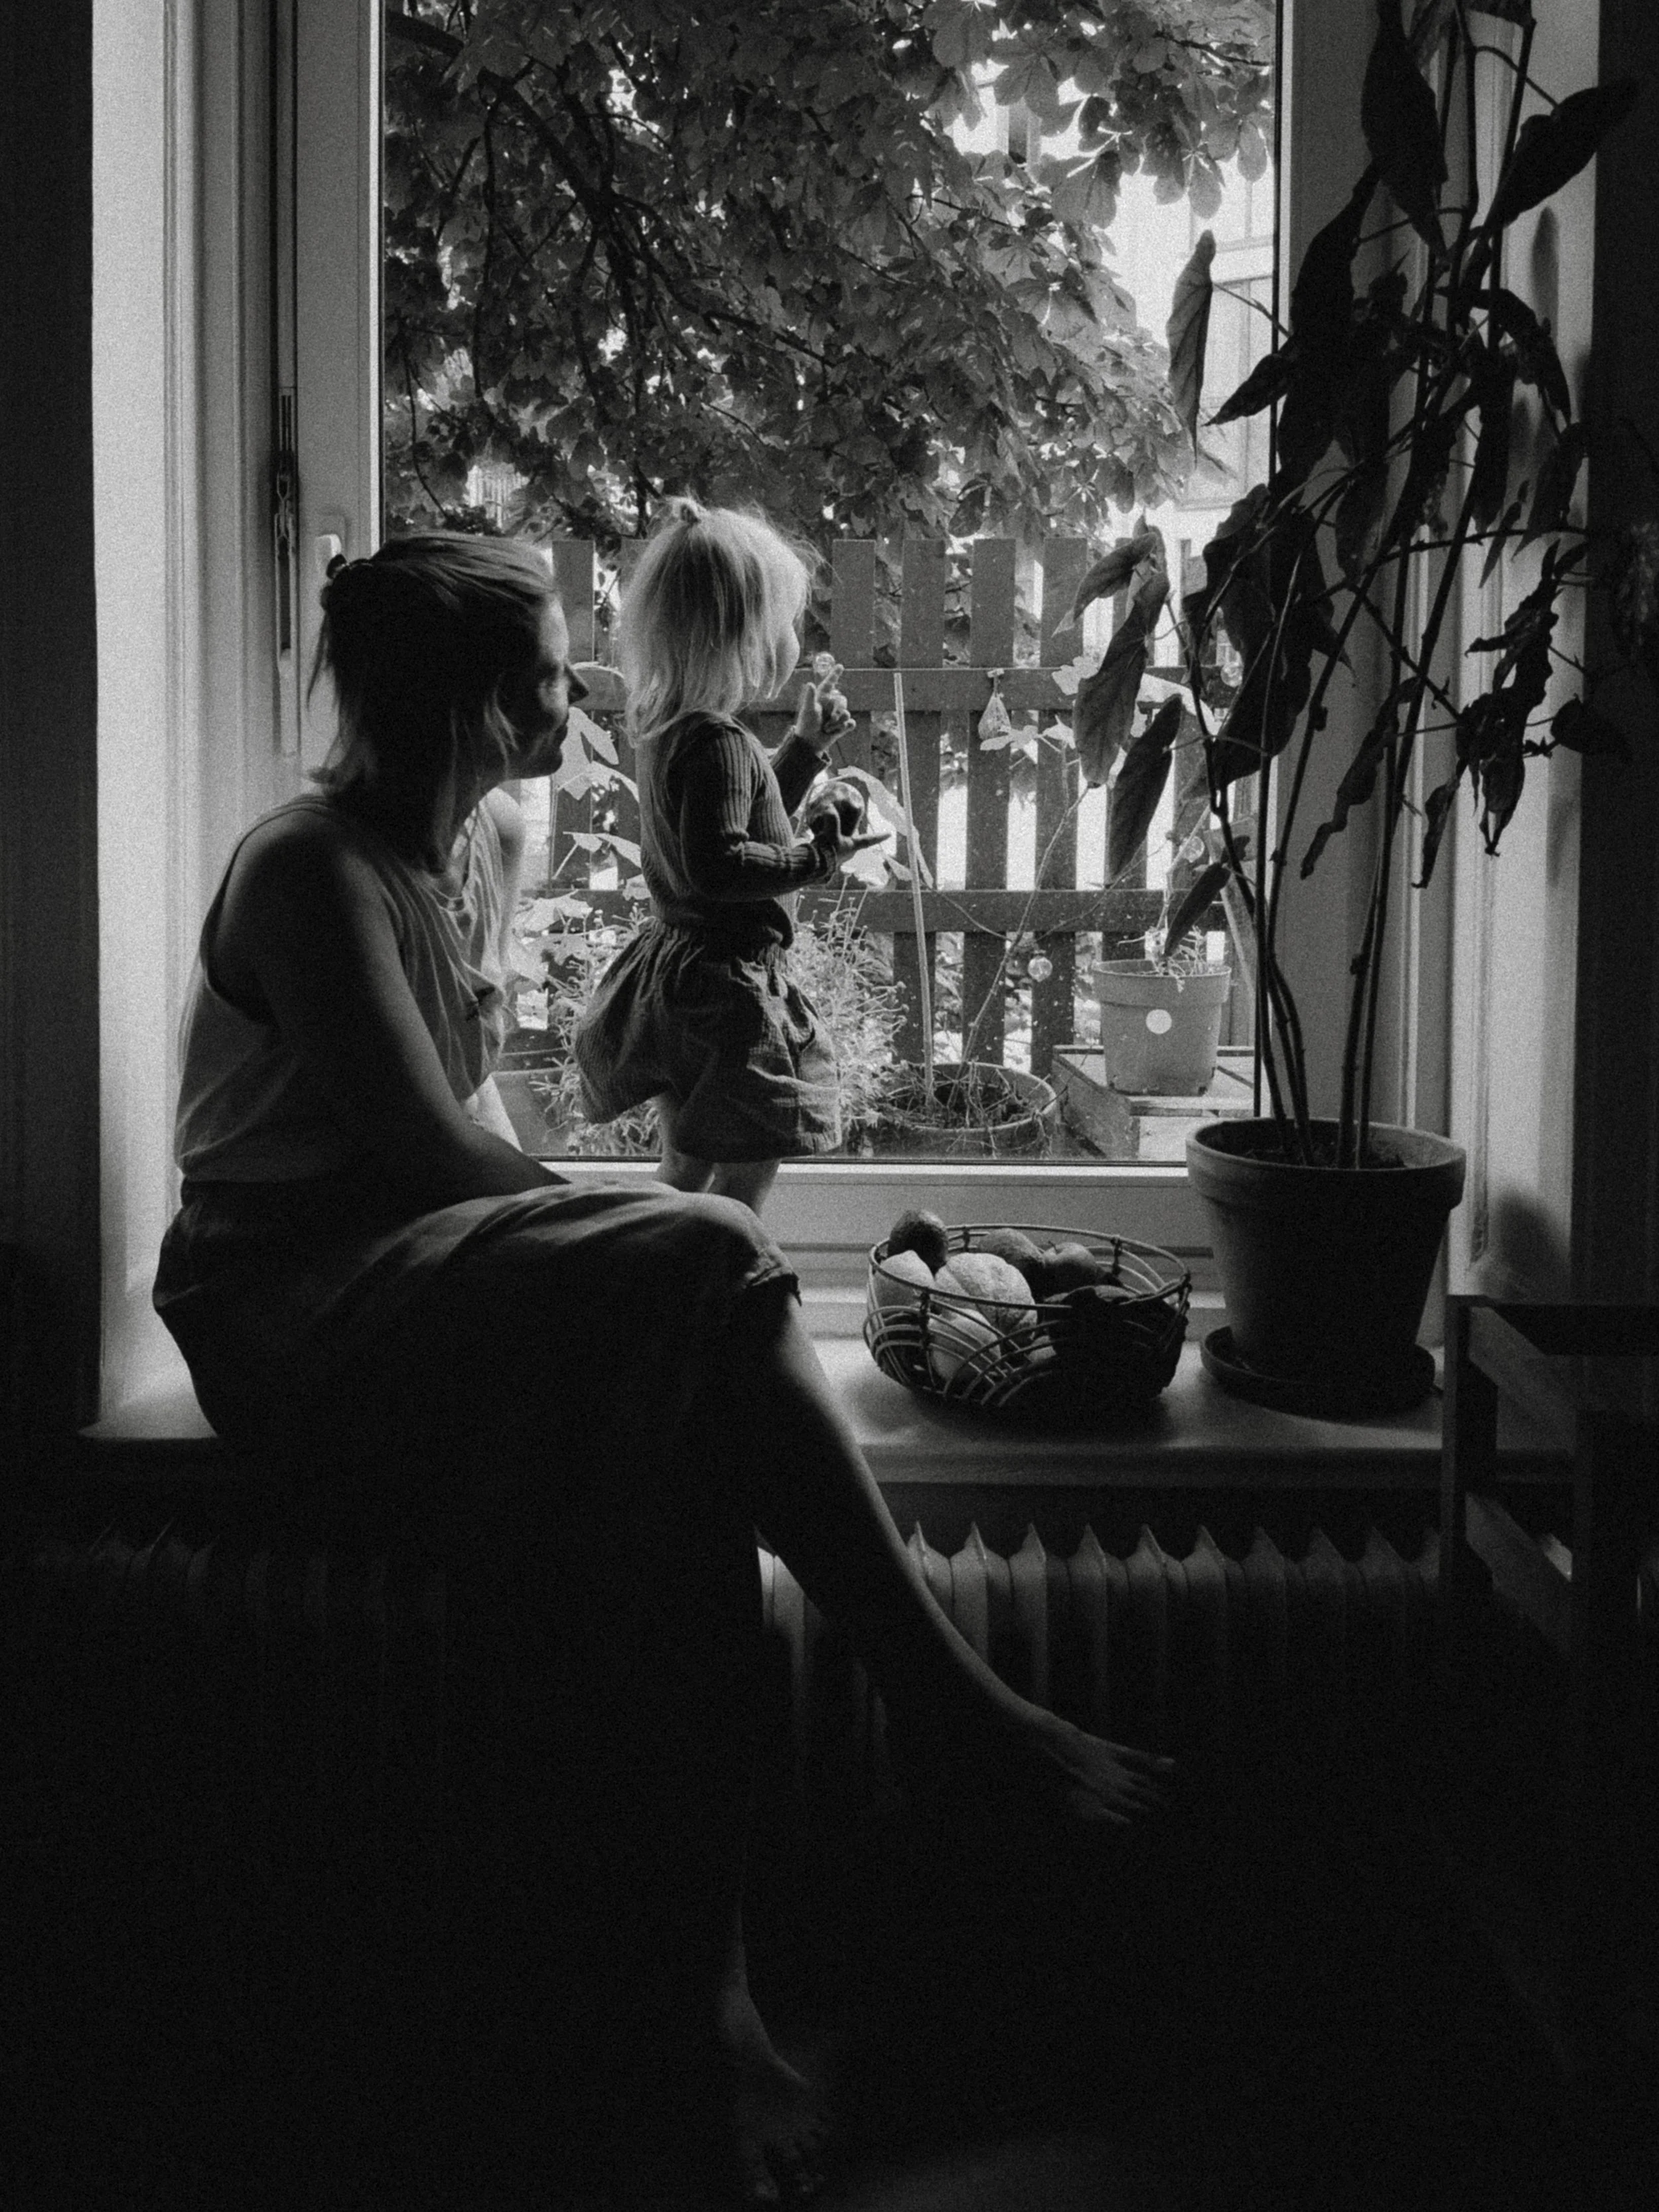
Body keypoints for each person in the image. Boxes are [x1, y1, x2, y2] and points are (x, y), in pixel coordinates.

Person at [152, 530, 1172, 2208]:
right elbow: (426, 1157)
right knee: (708, 1261)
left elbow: (480, 1165)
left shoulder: (461, 846)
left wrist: (637, 1262)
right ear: (479, 704)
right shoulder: (307, 871)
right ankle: (958, 1715)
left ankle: (721, 2008)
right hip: (292, 1315)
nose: (586, 693)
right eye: (554, 672)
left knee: (686, 1452)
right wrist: (666, 1252)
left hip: (415, 1285)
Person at [573, 500, 879, 1216]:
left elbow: (736, 820)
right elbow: (723, 867)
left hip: (675, 975)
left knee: (685, 1158)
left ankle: (651, 1269)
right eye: (783, 624)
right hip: (725, 992)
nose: (791, 642)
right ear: (743, 635)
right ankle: (725, 1278)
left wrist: (804, 751)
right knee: (750, 1161)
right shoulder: (720, 742)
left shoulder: (672, 730)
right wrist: (818, 858)